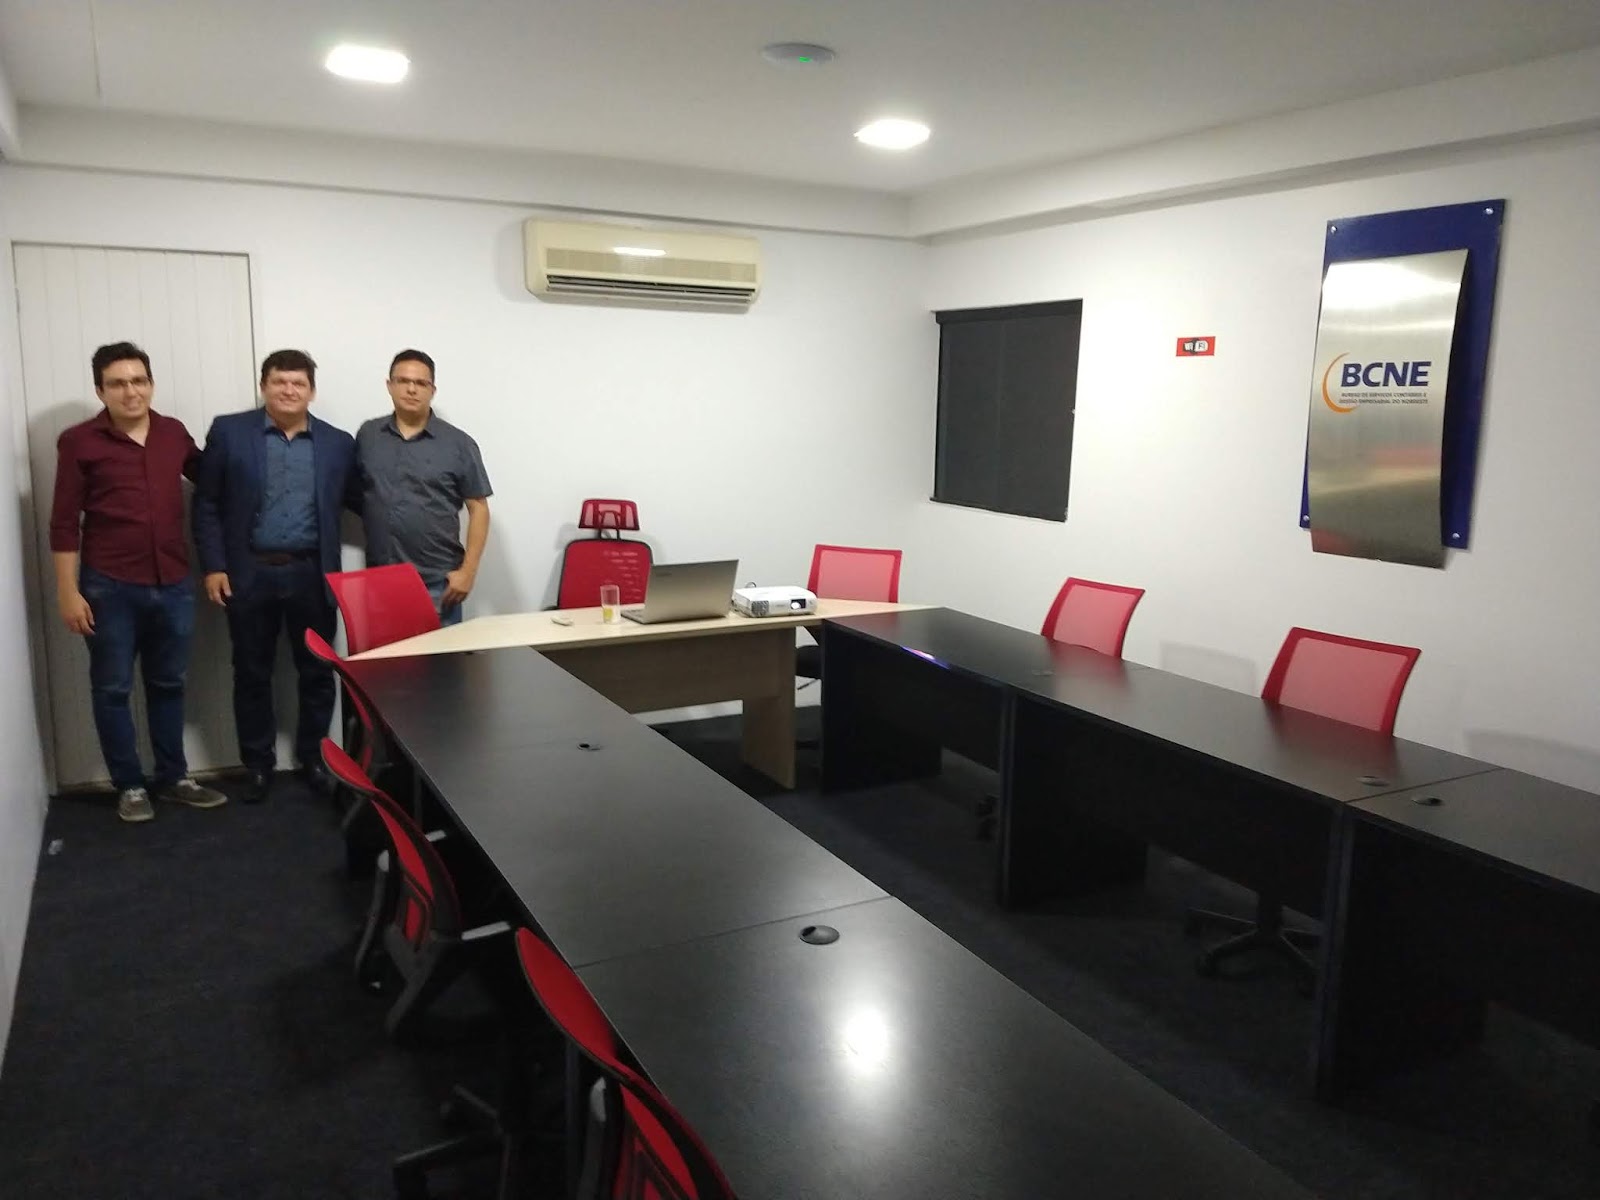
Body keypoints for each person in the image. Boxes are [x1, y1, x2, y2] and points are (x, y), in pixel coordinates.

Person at [48, 342, 228, 822]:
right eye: (118, 383)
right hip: (109, 587)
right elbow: (64, 522)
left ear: (151, 383)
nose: (131, 391)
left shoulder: (173, 433)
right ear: (100, 391)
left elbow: (213, 479)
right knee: (112, 688)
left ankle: (173, 778)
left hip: (173, 583)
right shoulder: (79, 442)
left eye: (139, 381)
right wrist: (67, 591)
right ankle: (129, 785)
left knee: (169, 682)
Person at [193, 349, 357, 803]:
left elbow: (361, 498)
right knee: (251, 672)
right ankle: (258, 765)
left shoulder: (338, 443)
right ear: (263, 386)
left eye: (298, 383)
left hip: (312, 574)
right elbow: (207, 503)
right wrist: (214, 565)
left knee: (318, 672)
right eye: (279, 381)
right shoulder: (230, 432)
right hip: (249, 573)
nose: (289, 390)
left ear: (312, 391)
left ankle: (314, 759)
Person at [354, 349, 492, 625]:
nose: (411, 389)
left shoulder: (458, 444)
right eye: (403, 381)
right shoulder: (369, 435)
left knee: (441, 656)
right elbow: (359, 493)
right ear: (389, 385)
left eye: (420, 383)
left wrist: (468, 572)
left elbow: (479, 508)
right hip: (380, 581)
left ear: (432, 390)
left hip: (437, 583)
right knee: (385, 656)